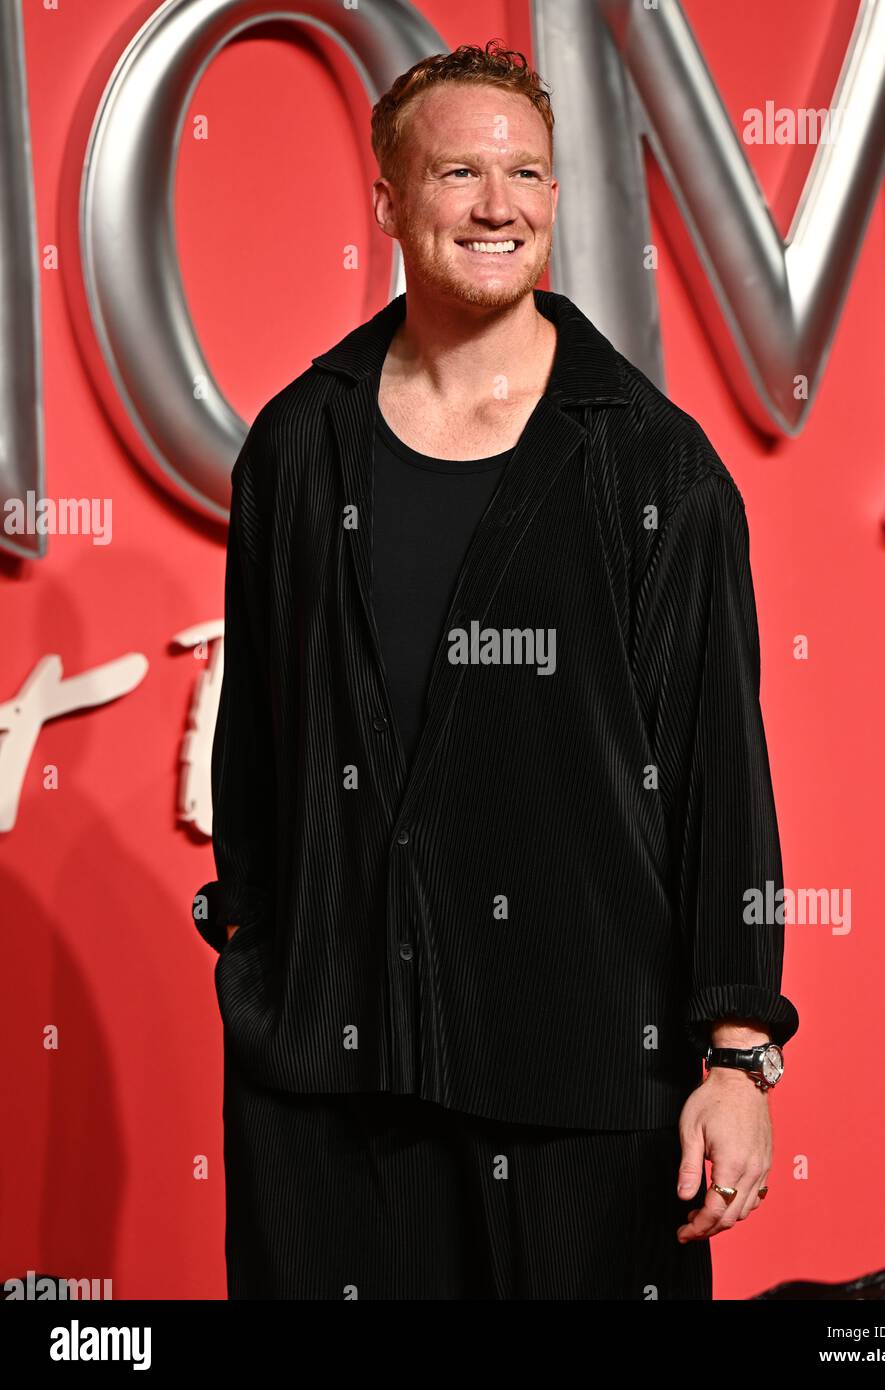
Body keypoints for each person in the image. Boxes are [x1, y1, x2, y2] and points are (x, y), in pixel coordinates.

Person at [192, 38, 799, 1300]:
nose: (496, 204)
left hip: (584, 1085)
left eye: (526, 172)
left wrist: (736, 1059)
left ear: (557, 198)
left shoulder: (652, 465)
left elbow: (715, 776)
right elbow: (256, 756)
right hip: (331, 1087)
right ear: (388, 201)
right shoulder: (298, 446)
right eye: (458, 170)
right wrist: (256, 969)